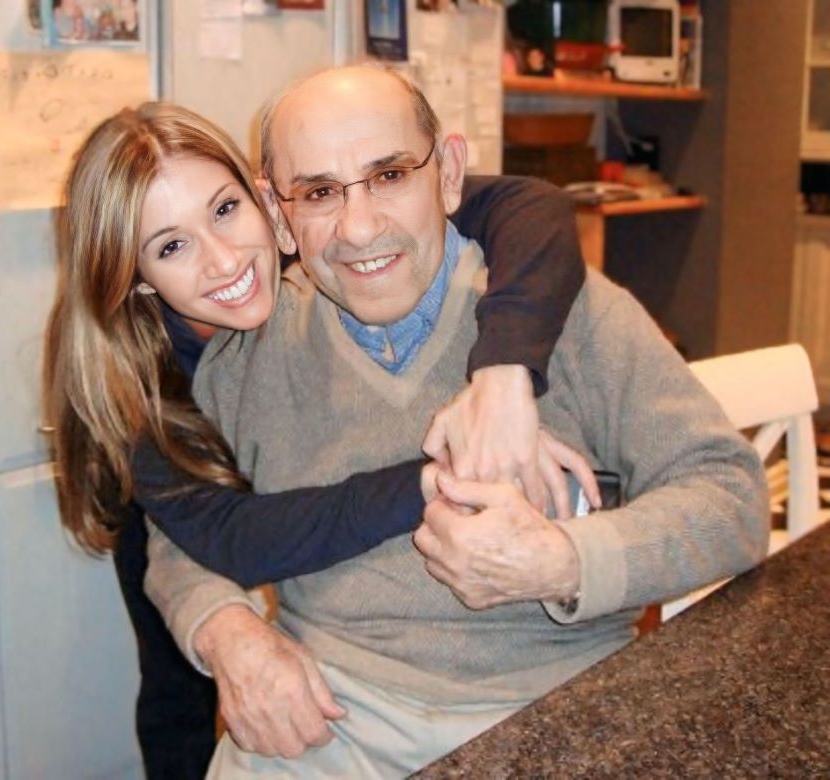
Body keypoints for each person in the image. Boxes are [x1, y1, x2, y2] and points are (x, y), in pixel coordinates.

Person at [144, 64, 770, 778]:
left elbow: (732, 497)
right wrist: (230, 635)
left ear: (447, 175)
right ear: (279, 213)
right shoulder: (246, 354)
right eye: (318, 192)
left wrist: (562, 563)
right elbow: (183, 534)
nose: (358, 226)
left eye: (389, 176)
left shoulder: (572, 312)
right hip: (330, 726)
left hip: (559, 711)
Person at [42, 102, 594, 778]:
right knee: (179, 691)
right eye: (170, 246)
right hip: (188, 493)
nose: (223, 261)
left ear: (267, 199)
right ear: (133, 279)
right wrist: (440, 470)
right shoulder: (144, 398)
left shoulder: (330, 232)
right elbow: (236, 541)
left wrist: (503, 380)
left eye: (224, 210)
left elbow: (528, 204)